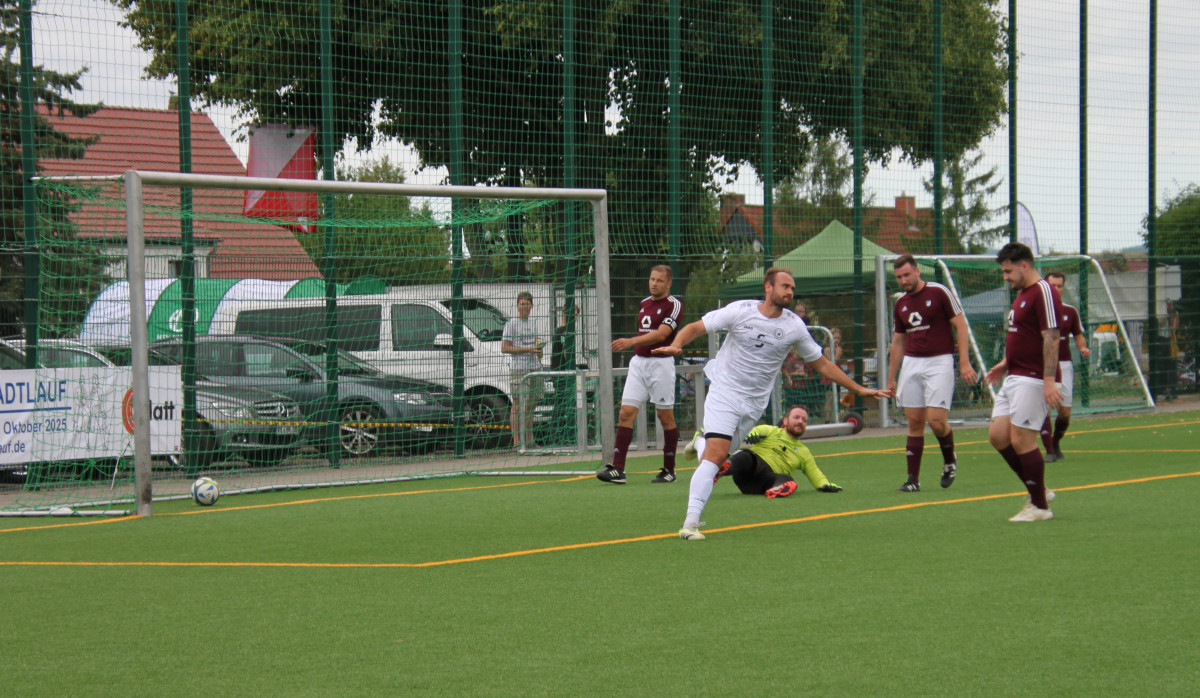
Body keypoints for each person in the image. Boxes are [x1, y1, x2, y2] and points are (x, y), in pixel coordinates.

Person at [652, 267, 891, 540]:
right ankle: (690, 524)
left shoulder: (794, 327)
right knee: (716, 457)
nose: (790, 291)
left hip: (754, 403)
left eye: (792, 287)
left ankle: (700, 442)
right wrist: (677, 343)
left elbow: (822, 364)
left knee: (716, 459)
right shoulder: (740, 311)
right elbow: (696, 327)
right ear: (768, 287)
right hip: (725, 391)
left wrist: (858, 388)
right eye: (785, 286)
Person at [984, 242, 1062, 523]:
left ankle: (1040, 506)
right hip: (1015, 374)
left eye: (1008, 271)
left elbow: (1052, 335)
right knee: (998, 436)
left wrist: (1049, 380)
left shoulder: (1043, 290)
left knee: (1021, 440)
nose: (1005, 277)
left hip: (1033, 378)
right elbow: (1023, 334)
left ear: (1024, 266)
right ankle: (1038, 488)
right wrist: (1005, 363)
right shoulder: (1023, 294)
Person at [886, 254, 978, 492]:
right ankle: (912, 480)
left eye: (906, 274)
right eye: (899, 277)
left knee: (936, 421)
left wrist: (965, 362)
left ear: (917, 271)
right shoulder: (901, 304)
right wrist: (891, 378)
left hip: (940, 362)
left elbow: (960, 325)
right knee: (914, 422)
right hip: (912, 363)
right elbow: (898, 341)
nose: (903, 280)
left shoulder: (939, 292)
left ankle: (949, 461)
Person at [597, 265, 684, 484]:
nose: (654, 284)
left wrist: (631, 341)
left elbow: (663, 334)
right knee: (625, 412)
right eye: (652, 279)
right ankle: (618, 469)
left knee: (665, 417)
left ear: (669, 283)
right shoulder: (645, 303)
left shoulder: (674, 305)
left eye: (660, 281)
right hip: (639, 364)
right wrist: (635, 345)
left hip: (661, 365)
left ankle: (669, 470)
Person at [718, 404, 843, 498]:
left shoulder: (804, 452)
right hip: (746, 473)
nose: (800, 421)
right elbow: (751, 432)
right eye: (796, 417)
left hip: (762, 483)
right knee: (746, 456)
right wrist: (751, 436)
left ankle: (776, 489)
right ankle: (723, 467)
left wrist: (824, 485)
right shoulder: (771, 430)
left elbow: (814, 472)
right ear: (785, 421)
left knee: (787, 479)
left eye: (804, 420)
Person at [1040, 272, 1091, 462]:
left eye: (1059, 286)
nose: (1056, 289)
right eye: (1052, 285)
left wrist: (1083, 347)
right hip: (1043, 364)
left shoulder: (1070, 311)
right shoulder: (1039, 310)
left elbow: (1078, 334)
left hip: (1064, 364)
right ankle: (1049, 451)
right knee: (1044, 408)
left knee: (1065, 412)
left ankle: (1055, 441)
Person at [501, 291, 545, 449]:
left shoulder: (533, 322)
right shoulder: (511, 324)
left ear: (532, 306)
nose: (525, 307)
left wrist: (539, 350)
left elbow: (536, 344)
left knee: (532, 403)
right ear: (517, 305)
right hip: (519, 368)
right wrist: (527, 350)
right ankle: (516, 441)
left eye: (527, 304)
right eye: (522, 304)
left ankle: (529, 439)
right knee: (518, 403)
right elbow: (504, 348)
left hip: (534, 367)